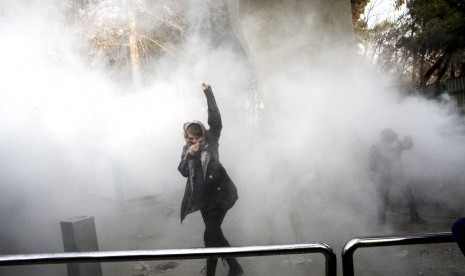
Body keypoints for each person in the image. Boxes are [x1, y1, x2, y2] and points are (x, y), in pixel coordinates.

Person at [178, 82, 243, 276]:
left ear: (202, 135)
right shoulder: (186, 150)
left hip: (222, 197)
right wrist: (190, 154)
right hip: (204, 200)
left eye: (196, 138)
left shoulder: (211, 140)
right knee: (216, 234)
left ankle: (212, 274)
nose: (193, 141)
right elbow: (182, 171)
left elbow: (216, 120)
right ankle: (235, 267)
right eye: (190, 138)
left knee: (210, 235)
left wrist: (208, 93)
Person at [369, 128, 426, 226]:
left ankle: (414, 218)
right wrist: (383, 168)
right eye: (390, 137)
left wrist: (408, 138)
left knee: (409, 196)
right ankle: (380, 224)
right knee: (383, 200)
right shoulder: (376, 147)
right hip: (385, 176)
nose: (393, 139)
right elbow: (372, 165)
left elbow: (408, 146)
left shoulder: (396, 143)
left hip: (397, 174)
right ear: (385, 137)